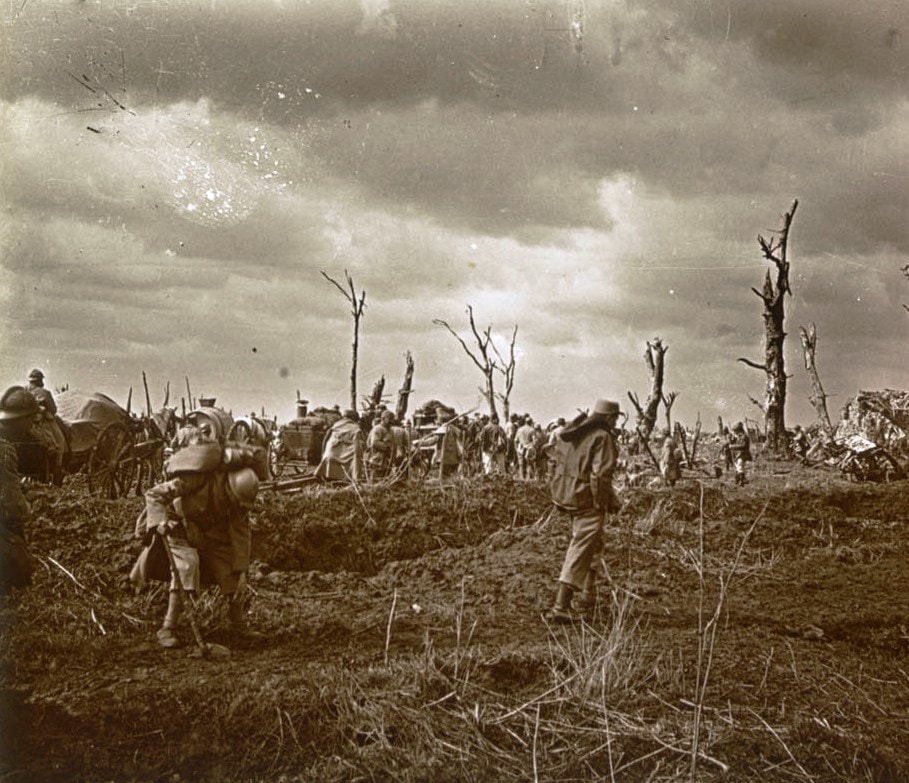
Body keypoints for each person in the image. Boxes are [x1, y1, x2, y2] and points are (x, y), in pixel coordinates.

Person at [138, 441, 264, 647]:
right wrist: (161, 521)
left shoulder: (237, 502)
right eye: (235, 499)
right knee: (187, 565)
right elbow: (155, 494)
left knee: (232, 570)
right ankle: (167, 627)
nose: (237, 504)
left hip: (209, 535)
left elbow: (241, 534)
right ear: (228, 486)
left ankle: (238, 625)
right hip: (178, 526)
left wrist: (241, 571)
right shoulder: (195, 480)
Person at [547, 398, 622, 623]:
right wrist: (603, 502)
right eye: (615, 418)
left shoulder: (574, 432)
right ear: (609, 417)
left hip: (567, 495)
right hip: (587, 500)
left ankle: (588, 596)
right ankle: (561, 606)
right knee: (581, 546)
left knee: (594, 542)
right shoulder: (603, 437)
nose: (615, 422)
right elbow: (600, 475)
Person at [0, 386, 40, 591]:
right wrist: (27, 507)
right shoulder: (5, 450)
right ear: (22, 419)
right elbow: (13, 506)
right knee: (24, 565)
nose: (32, 425)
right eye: (31, 419)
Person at [25, 369, 66, 485]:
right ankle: (57, 468)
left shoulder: (23, 391)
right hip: (41, 422)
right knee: (60, 442)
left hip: (25, 422)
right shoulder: (45, 393)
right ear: (40, 381)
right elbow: (53, 410)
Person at [315, 409, 365, 483]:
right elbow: (358, 446)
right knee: (355, 456)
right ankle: (352, 477)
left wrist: (323, 454)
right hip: (346, 455)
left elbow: (325, 440)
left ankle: (326, 475)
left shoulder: (335, 425)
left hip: (331, 452)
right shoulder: (356, 428)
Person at [366, 410, 395, 482]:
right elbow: (374, 442)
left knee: (385, 480)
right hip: (377, 460)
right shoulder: (378, 428)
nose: (391, 422)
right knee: (375, 481)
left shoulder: (390, 430)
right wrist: (387, 447)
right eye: (389, 419)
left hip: (386, 461)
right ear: (383, 419)